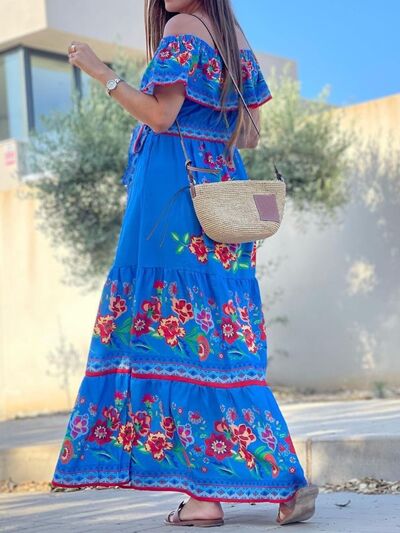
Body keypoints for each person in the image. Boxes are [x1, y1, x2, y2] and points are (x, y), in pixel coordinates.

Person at [51, 0, 319, 526]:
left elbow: (159, 115)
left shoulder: (181, 27)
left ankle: (217, 494)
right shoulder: (231, 35)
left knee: (166, 337)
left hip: (172, 197)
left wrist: (101, 72)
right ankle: (227, 492)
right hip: (220, 198)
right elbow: (249, 134)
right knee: (218, 346)